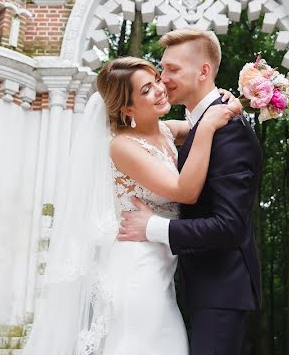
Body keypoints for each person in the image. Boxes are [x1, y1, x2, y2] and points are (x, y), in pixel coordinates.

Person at [25, 54, 241, 354]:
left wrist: (223, 100)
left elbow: (198, 120)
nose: (160, 89)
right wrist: (206, 129)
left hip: (160, 266)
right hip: (137, 270)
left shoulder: (165, 131)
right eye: (146, 90)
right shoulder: (123, 146)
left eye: (155, 81)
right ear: (127, 109)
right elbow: (185, 191)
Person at [119, 28, 263, 355]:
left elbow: (229, 227)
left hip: (222, 290)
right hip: (191, 285)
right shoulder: (198, 126)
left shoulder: (230, 133)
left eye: (172, 70)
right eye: (161, 70)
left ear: (203, 71)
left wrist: (152, 227)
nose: (163, 79)